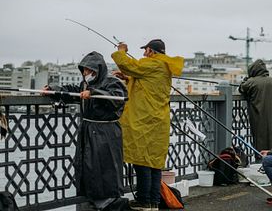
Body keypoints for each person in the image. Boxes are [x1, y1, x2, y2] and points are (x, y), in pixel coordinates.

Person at [43, 51, 128, 210]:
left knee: (104, 167)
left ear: (98, 70)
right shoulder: (85, 84)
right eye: (84, 70)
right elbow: (72, 91)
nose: (85, 74)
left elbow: (116, 98)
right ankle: (91, 199)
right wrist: (53, 89)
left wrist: (94, 93)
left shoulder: (112, 82)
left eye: (89, 71)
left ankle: (108, 202)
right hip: (88, 130)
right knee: (87, 166)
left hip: (105, 132)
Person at [111, 39, 184, 210]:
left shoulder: (152, 63)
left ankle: (144, 200)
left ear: (151, 51)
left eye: (145, 50)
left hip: (145, 119)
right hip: (159, 120)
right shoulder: (164, 66)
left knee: (142, 161)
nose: (144, 54)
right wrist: (128, 78)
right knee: (154, 162)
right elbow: (147, 83)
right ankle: (153, 202)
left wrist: (121, 51)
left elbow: (130, 65)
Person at [239, 59, 272, 153]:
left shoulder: (252, 82)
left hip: (258, 117)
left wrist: (246, 79)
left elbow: (241, 88)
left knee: (260, 140)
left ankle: (261, 160)